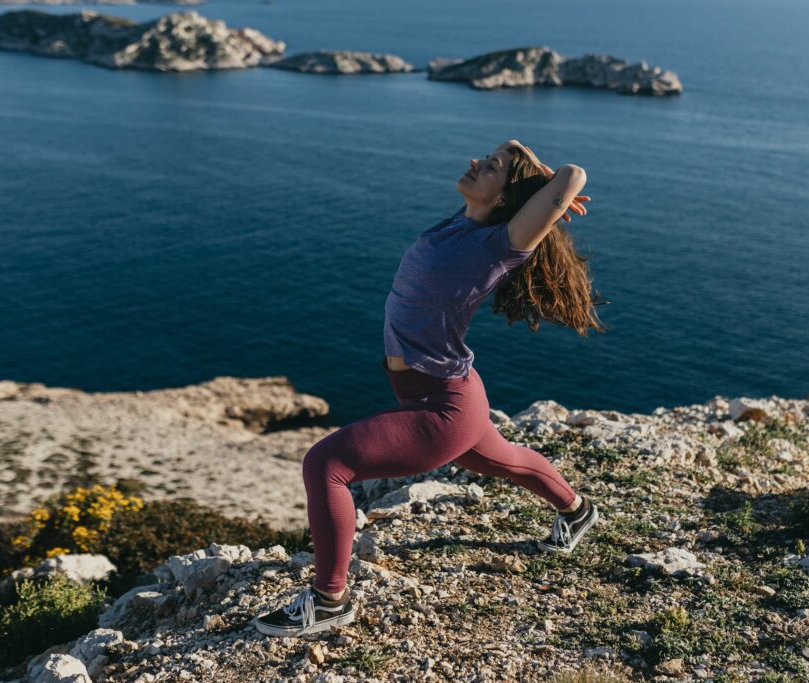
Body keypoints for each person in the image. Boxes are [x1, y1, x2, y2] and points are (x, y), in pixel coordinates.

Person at [254, 139, 607, 638]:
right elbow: (529, 174)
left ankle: (330, 600)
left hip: (444, 404)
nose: (475, 163)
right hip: (447, 388)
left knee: (326, 464)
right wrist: (522, 170)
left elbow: (574, 173)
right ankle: (577, 510)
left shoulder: (498, 245)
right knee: (497, 457)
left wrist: (547, 184)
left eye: (491, 167)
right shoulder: (461, 225)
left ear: (507, 200)